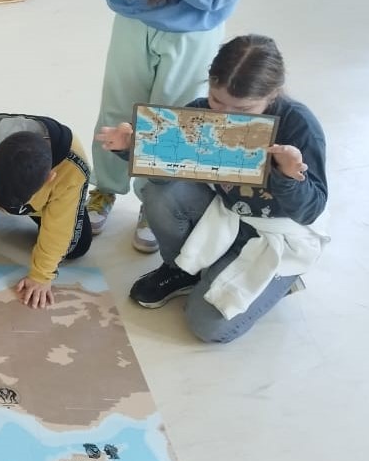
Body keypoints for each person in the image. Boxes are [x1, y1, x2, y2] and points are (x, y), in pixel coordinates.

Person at [96, 35, 328, 344]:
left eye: (244, 109)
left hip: (276, 233)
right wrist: (131, 146)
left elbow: (311, 210)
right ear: (209, 83)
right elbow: (165, 174)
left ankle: (282, 280)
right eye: (217, 101)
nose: (225, 116)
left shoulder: (299, 125)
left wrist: (287, 175)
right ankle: (183, 270)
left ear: (271, 94)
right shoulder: (201, 112)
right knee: (159, 194)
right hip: (225, 212)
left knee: (207, 326)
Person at [82, 0, 245, 252]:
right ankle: (104, 187)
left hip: (194, 30)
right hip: (132, 21)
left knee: (170, 119)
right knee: (116, 108)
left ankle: (154, 199)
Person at [0, 114, 93, 309]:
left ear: (49, 177)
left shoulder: (73, 167)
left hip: (43, 201)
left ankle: (16, 201)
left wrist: (42, 276)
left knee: (77, 246)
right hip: (2, 185)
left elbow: (60, 225)